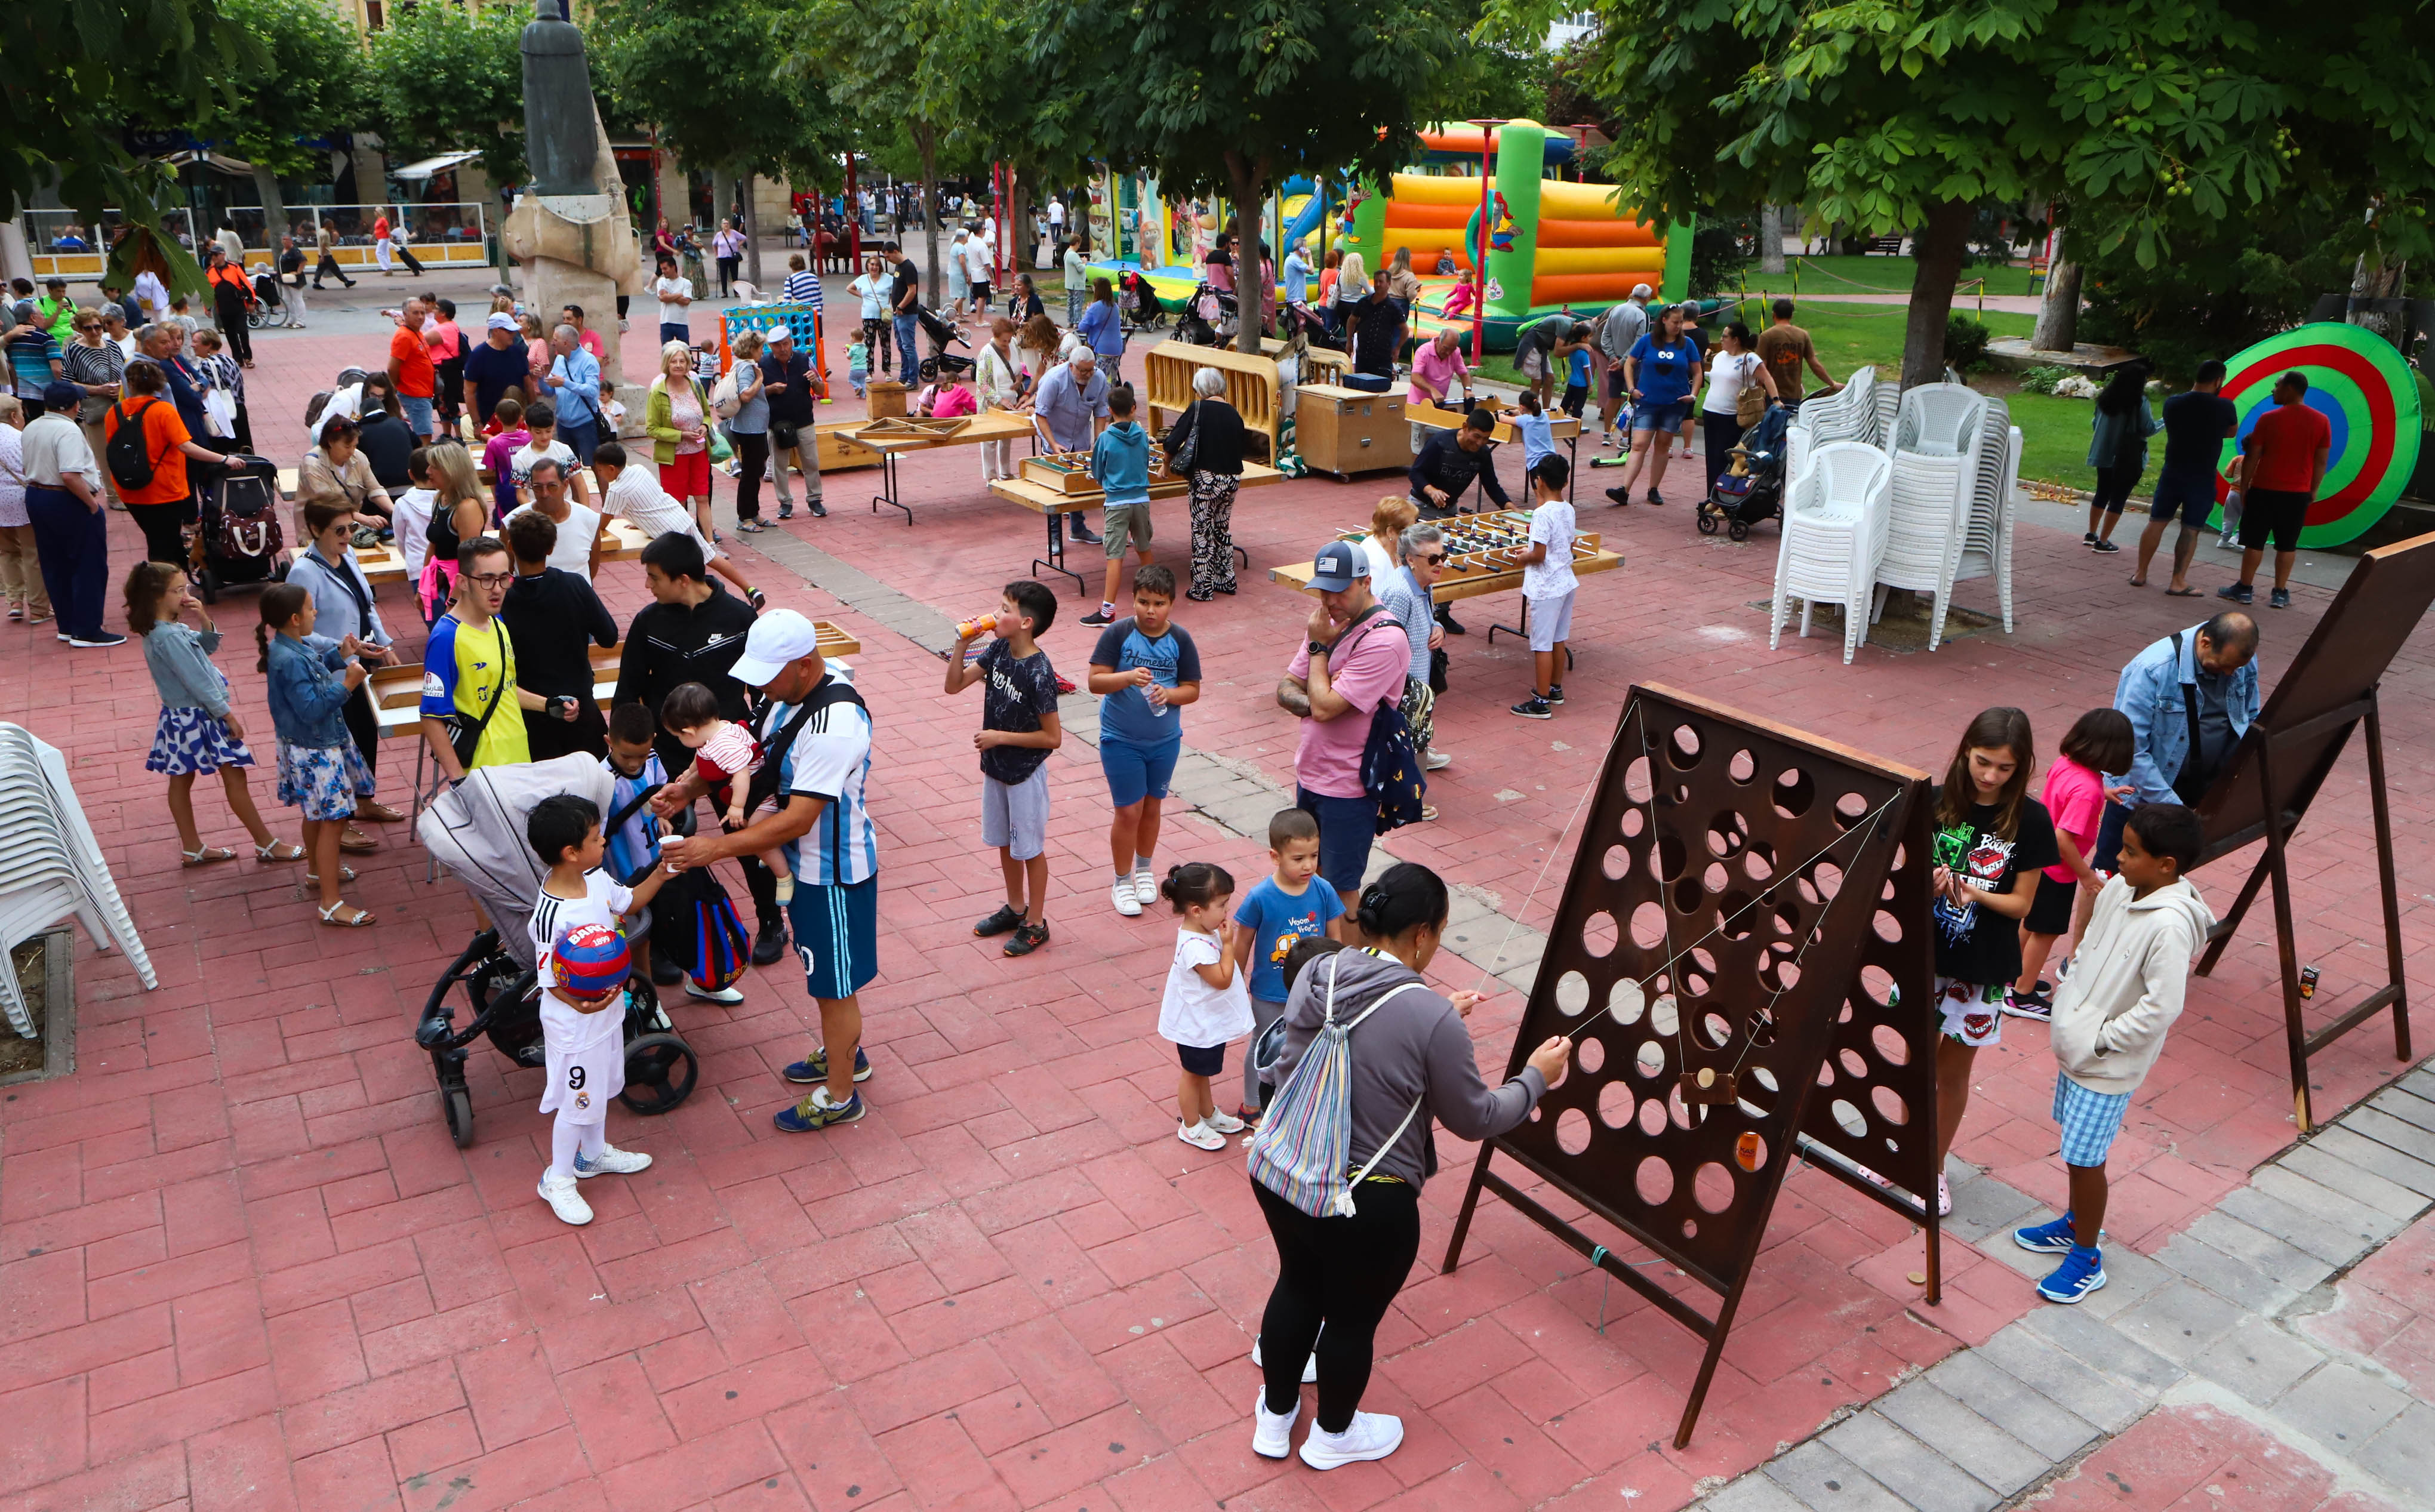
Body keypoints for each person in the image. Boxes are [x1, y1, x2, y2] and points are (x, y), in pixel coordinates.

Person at [1251, 863, 1570, 1470]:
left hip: (1284, 1169)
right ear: (1422, 933)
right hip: (1366, 1199)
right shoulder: (1429, 1017)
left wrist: (1438, 1016)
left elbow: (1332, 1042)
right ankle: (1333, 1436)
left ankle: (1275, 1414)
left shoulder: (1319, 969)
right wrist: (1536, 1077)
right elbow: (1476, 1116)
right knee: (1350, 1318)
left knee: (1296, 1284)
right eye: (1441, 930)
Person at [658, 611, 878, 1131]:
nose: (758, 687)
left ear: (804, 665)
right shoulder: (786, 696)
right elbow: (748, 758)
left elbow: (799, 819)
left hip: (832, 874)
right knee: (825, 978)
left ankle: (840, 1095)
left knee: (834, 986)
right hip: (805, 868)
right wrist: (688, 789)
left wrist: (713, 849)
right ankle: (845, 1054)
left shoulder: (834, 725)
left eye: (768, 675)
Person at [2009, 803, 2211, 1304]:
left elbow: (2162, 1006)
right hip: (2078, 1045)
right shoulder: (2121, 886)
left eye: (2130, 851)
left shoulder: (2169, 927)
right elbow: (2088, 945)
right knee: (2073, 1146)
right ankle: (2073, 1223)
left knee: (2084, 1159)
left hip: (2106, 1062)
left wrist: (2102, 1039)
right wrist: (2071, 1002)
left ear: (2165, 864)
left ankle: (2086, 1257)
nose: (2117, 857)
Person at [613, 531, 789, 966]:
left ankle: (771, 921)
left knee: (745, 839)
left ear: (683, 579)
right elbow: (628, 690)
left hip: (730, 755)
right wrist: (627, 748)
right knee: (669, 845)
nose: (648, 585)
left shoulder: (738, 617)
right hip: (674, 754)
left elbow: (764, 688)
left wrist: (752, 736)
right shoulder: (649, 623)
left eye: (654, 577)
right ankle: (668, 935)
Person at [1926, 707, 2057, 1218]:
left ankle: (1933, 1168)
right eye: (1983, 761)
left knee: (1951, 1071)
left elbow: (2022, 904)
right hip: (1926, 953)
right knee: (1914, 1062)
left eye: (2004, 768)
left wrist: (1973, 891)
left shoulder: (2031, 819)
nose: (1990, 775)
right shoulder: (1935, 801)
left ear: (2021, 767)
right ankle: (1903, 1151)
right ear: (1965, 751)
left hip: (1982, 965)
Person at [525, 798, 666, 1225]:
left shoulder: (597, 878)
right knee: (576, 1102)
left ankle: (593, 1155)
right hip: (574, 1026)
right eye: (595, 837)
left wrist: (664, 871)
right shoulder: (552, 913)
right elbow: (549, 977)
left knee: (600, 1086)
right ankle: (558, 1179)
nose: (604, 840)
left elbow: (628, 902)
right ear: (571, 852)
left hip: (605, 1014)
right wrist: (582, 1004)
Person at [129, 559, 293, 867]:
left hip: (179, 717)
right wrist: (227, 715)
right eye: (178, 590)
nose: (186, 595)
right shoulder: (171, 636)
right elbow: (198, 681)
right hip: (201, 717)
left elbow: (204, 649)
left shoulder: (163, 631)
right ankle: (265, 843)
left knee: (181, 780)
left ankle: (193, 848)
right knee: (235, 776)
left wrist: (204, 618)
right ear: (157, 596)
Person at [1276, 542, 1411, 911]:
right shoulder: (1326, 624)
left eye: (1340, 591)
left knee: (1341, 890)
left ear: (1366, 583)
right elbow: (1286, 689)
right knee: (1306, 879)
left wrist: (1320, 653)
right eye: (1324, 590)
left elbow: (1325, 708)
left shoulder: (1385, 639)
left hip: (1349, 788)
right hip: (1310, 775)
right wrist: (1319, 700)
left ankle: (1345, 951)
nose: (1329, 600)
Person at [947, 580, 1064, 958]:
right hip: (996, 768)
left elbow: (1053, 738)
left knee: (1029, 849)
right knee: (1005, 842)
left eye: (1004, 610)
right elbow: (954, 686)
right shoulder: (998, 648)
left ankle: (1037, 923)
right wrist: (962, 646)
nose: (995, 615)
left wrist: (1000, 737)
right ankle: (1015, 908)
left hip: (1025, 774)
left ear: (1026, 622)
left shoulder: (1039, 672)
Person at [2104, 611, 2260, 880]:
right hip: (2143, 795)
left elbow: (2251, 715)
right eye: (2222, 666)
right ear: (2205, 643)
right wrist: (2175, 810)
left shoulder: (2240, 658)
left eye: (2235, 668)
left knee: (2168, 876)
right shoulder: (2151, 669)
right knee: (2109, 876)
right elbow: (2133, 751)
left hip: (2197, 789)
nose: (2229, 673)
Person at [285, 500, 405, 844]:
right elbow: (297, 630)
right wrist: (344, 646)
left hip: (360, 661)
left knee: (365, 730)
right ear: (315, 530)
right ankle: (340, 821)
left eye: (352, 527)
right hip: (331, 670)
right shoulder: (304, 572)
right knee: (339, 742)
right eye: (340, 530)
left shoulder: (347, 554)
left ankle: (363, 802)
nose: (349, 535)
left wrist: (385, 644)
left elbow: (367, 606)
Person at [257, 582, 375, 926]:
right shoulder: (290, 657)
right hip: (315, 750)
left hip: (310, 745)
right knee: (333, 821)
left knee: (315, 815)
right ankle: (330, 903)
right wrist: (348, 684)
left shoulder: (290, 646)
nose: (315, 613)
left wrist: (341, 655)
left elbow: (315, 669)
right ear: (295, 618)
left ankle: (315, 872)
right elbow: (311, 709)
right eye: (311, 609)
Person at [1087, 563, 1201, 917]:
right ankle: (1122, 881)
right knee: (1128, 811)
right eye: (1143, 602)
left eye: (1159, 603)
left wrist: (1169, 694)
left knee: (1153, 806)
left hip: (1165, 741)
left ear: (1172, 604)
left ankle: (1145, 870)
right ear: (1133, 600)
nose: (1151, 610)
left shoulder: (1181, 639)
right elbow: (1095, 681)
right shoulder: (1118, 633)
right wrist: (1127, 677)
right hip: (1120, 739)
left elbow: (1192, 689)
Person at [2010, 709, 2136, 1023]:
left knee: (2030, 923)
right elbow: (2063, 839)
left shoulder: (2066, 764)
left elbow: (2068, 792)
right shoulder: (2088, 792)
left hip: (2037, 861)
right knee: (2046, 932)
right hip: (2059, 871)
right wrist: (2086, 875)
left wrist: (2102, 792)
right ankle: (2022, 994)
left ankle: (2010, 974)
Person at [1227, 810, 1345, 1122]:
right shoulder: (1260, 897)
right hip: (1269, 991)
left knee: (1307, 1043)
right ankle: (1252, 1105)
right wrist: (1234, 981)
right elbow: (1243, 942)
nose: (1308, 865)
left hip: (1313, 989)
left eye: (1314, 856)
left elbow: (1335, 939)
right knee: (1263, 1045)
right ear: (1275, 857)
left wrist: (1337, 976)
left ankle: (1295, 1101)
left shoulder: (1324, 890)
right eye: (1298, 858)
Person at [422, 537, 566, 783]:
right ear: (463, 582)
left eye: (504, 578)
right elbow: (431, 716)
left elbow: (504, 688)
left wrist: (549, 705)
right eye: (487, 579)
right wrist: (458, 779)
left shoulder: (498, 624)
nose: (498, 589)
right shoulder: (446, 638)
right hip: (482, 773)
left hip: (519, 760)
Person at [500, 511, 617, 760]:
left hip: (530, 712)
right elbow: (609, 637)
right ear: (551, 548)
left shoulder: (502, 598)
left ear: (510, 547)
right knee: (592, 777)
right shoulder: (575, 585)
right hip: (580, 707)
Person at [1157, 862, 1252, 1150]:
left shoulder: (1203, 931)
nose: (1227, 911)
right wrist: (1229, 944)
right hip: (1195, 1025)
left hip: (1206, 1022)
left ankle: (1208, 1114)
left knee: (1202, 1072)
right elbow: (1222, 979)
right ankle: (1190, 1125)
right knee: (1193, 1073)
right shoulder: (1196, 947)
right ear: (1197, 910)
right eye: (1222, 905)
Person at [105, 359, 231, 574]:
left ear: (130, 384)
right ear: (159, 384)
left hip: (130, 488)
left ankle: (181, 570)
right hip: (164, 489)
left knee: (158, 538)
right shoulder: (164, 410)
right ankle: (163, 582)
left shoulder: (114, 412)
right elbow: (186, 446)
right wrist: (223, 459)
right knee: (163, 546)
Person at [2219, 371, 2328, 610]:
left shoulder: (2268, 419)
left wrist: (2245, 487)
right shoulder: (2322, 421)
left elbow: (2252, 457)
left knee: (2254, 542)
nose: (2273, 390)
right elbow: (2321, 461)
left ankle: (2244, 589)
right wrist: (2313, 489)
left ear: (2289, 388)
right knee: (2287, 544)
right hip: (2298, 493)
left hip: (2264, 490)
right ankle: (2280, 593)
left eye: (2277, 386)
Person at [594, 441, 759, 600]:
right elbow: (647, 503)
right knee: (711, 558)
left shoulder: (616, 491)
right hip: (681, 518)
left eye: (600, 470)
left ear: (611, 468)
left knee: (679, 579)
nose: (599, 474)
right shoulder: (638, 469)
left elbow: (604, 522)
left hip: (672, 536)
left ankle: (710, 602)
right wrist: (639, 522)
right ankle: (750, 589)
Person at [2133, 361, 2239, 595]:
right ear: (2218, 381)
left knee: (2157, 521)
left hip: (2173, 471)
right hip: (2202, 476)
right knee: (2191, 528)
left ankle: (2140, 573)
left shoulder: (2173, 403)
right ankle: (2177, 581)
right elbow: (2232, 431)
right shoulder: (2225, 406)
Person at [24, 382, 112, 645]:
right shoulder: (68, 430)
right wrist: (92, 505)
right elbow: (70, 475)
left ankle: (67, 625)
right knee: (88, 563)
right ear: (73, 406)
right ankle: (87, 630)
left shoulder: (32, 426)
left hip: (37, 495)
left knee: (54, 563)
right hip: (65, 497)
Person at [1162, 368, 1248, 601]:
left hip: (1206, 478)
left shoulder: (1198, 408)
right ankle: (1226, 579)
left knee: (1201, 531)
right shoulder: (1234, 413)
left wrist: (1165, 465)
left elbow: (1173, 440)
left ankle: (1202, 588)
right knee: (1221, 528)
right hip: (1232, 478)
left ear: (1200, 389)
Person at [1608, 304, 1702, 507]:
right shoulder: (1647, 340)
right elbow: (1630, 363)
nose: (1678, 326)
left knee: (1663, 445)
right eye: (1675, 322)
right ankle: (1624, 489)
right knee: (1639, 444)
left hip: (1675, 403)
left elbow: (1697, 372)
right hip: (1647, 401)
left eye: (1681, 322)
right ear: (1664, 321)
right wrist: (1632, 388)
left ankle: (1653, 488)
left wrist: (1693, 395)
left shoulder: (1688, 344)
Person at [1509, 455, 1578, 720]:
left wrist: (1521, 558)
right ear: (1565, 482)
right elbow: (1567, 545)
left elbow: (1538, 556)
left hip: (1546, 586)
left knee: (1541, 644)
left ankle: (1541, 701)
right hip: (1566, 580)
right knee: (1558, 639)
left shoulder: (1541, 514)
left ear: (1539, 481)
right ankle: (1555, 688)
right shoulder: (1568, 508)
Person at [1082, 385, 1156, 629]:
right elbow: (1145, 462)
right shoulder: (1142, 434)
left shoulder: (1105, 438)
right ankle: (1156, 601)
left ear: (1110, 410)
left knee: (1115, 555)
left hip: (1116, 501)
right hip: (1141, 499)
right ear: (1133, 408)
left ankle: (1108, 611)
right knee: (1145, 549)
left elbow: (1098, 471)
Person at [1032, 346, 1111, 546]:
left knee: (1080, 484)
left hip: (1080, 438)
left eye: (1091, 370)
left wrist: (1099, 442)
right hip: (1055, 436)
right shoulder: (1053, 380)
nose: (1088, 375)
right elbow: (1041, 415)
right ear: (1071, 366)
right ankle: (1055, 535)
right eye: (1083, 371)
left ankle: (1078, 529)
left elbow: (1101, 412)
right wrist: (1053, 444)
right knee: (1055, 490)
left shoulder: (1099, 378)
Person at [2083, 362, 2159, 553]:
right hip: (2127, 457)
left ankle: (2091, 534)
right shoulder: (2139, 402)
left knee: (2102, 492)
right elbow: (2148, 429)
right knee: (2119, 497)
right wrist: (2164, 422)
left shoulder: (2105, 399)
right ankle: (2103, 541)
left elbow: (2095, 422)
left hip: (2103, 452)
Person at [1698, 322, 1779, 497]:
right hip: (1710, 411)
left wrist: (1776, 400)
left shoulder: (1750, 359)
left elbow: (1767, 378)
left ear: (1736, 340)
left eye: (1725, 336)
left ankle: (1727, 494)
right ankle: (1712, 495)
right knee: (1712, 457)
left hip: (1732, 416)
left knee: (1728, 458)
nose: (1721, 339)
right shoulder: (1719, 357)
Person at [645, 340, 715, 541]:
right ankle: (682, 544)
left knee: (702, 497)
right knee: (678, 502)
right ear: (666, 364)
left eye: (682, 361)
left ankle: (709, 542)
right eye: (674, 361)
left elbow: (707, 414)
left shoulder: (695, 385)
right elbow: (652, 429)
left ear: (688, 363)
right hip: (674, 456)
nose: (678, 365)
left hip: (699, 453)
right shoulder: (658, 392)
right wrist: (681, 435)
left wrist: (705, 426)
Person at [61, 312, 126, 512]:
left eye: (98, 327)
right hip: (95, 409)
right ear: (80, 329)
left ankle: (128, 490)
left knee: (125, 450)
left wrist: (119, 386)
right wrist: (98, 390)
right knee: (104, 454)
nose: (94, 332)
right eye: (88, 328)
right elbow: (67, 382)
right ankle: (113, 495)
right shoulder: (74, 350)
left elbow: (125, 372)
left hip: (120, 406)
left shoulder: (112, 346)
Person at [759, 326, 824, 519]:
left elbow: (821, 389)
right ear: (770, 347)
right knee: (779, 466)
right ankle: (785, 502)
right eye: (777, 345)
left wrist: (815, 382)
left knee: (811, 462)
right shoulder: (762, 364)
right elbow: (755, 394)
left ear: (792, 342)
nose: (783, 349)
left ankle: (815, 499)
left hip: (804, 420)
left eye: (786, 344)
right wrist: (770, 389)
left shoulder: (804, 360)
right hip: (777, 423)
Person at [506, 457, 603, 581]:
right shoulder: (512, 522)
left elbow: (592, 568)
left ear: (565, 485)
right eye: (538, 487)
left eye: (552, 486)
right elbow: (507, 570)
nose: (545, 494)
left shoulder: (589, 519)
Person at [1408, 406, 1510, 523]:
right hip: (1422, 507)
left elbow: (1491, 485)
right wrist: (1432, 491)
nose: (1480, 443)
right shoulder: (1440, 442)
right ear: (1465, 427)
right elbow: (1415, 473)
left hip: (1449, 510)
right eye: (1477, 436)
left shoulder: (1483, 453)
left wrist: (1510, 507)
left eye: (1486, 438)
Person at [723, 331, 778, 532]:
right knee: (750, 473)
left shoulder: (743, 366)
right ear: (752, 349)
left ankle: (753, 512)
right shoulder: (747, 368)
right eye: (761, 348)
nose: (763, 352)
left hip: (753, 428)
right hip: (749, 429)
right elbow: (745, 395)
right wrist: (760, 379)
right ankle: (744, 517)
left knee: (755, 472)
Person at [0, 397, 42, 625]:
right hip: (20, 499)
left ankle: (15, 601)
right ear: (14, 416)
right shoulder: (20, 438)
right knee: (32, 553)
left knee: (7, 552)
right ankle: (38, 608)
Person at [1594, 285, 1652, 445]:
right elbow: (1639, 342)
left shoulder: (1617, 309)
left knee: (1612, 397)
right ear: (1646, 298)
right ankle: (1625, 437)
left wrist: (1612, 356)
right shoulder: (1643, 315)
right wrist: (1623, 361)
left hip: (1614, 361)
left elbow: (1605, 335)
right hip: (1632, 364)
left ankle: (1607, 434)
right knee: (1629, 399)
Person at [508, 405, 589, 516]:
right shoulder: (522, 458)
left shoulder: (564, 450)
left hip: (566, 511)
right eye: (538, 432)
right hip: (539, 514)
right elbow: (521, 494)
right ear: (528, 429)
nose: (544, 436)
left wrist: (586, 513)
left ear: (554, 427)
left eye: (548, 431)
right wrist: (536, 516)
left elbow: (580, 484)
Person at [1754, 298, 1834, 407]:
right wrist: (1832, 383)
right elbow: (1814, 364)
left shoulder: (1766, 336)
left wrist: (1757, 393)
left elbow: (1761, 368)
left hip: (1771, 395)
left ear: (1774, 315)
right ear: (1791, 315)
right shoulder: (1803, 335)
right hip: (1794, 394)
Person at [544, 323, 605, 465]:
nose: (552, 343)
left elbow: (592, 391)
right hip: (563, 425)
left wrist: (565, 383)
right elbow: (549, 392)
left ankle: (602, 483)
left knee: (595, 465)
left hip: (585, 424)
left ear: (565, 343)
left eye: (555, 340)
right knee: (570, 467)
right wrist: (541, 378)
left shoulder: (588, 361)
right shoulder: (560, 360)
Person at [973, 318, 1024, 484]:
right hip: (991, 403)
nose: (1007, 344)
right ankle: (990, 475)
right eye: (1004, 341)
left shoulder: (1013, 345)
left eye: (1009, 340)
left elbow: (1019, 369)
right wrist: (999, 399)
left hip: (1011, 400)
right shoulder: (987, 353)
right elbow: (982, 384)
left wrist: (1019, 379)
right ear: (995, 336)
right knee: (990, 439)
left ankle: (1006, 472)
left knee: (1007, 437)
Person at [1405, 330, 1470, 455]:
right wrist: (1432, 390)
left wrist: (1468, 390)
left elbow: (1464, 374)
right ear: (1439, 340)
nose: (1448, 353)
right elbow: (1415, 377)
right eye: (1446, 348)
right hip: (1419, 404)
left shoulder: (1455, 353)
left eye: (1452, 349)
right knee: (1419, 449)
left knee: (1439, 444)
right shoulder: (1424, 351)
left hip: (1439, 403)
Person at [462, 312, 530, 429]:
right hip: (490, 422)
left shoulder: (517, 352)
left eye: (514, 331)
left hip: (519, 421)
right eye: (509, 332)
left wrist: (532, 412)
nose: (514, 335)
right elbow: (469, 392)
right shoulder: (478, 356)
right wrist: (477, 423)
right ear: (496, 331)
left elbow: (528, 384)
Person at [349, 378, 414, 495]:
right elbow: (418, 445)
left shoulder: (359, 432)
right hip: (410, 483)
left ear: (362, 414)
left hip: (380, 488)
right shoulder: (400, 424)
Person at [383, 298, 437, 441]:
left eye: (423, 313)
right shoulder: (404, 336)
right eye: (416, 313)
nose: (420, 317)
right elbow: (392, 368)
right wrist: (399, 386)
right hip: (415, 394)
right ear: (405, 315)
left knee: (423, 434)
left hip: (422, 392)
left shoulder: (415, 332)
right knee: (424, 437)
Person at [1345, 281, 1405, 389]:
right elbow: (1351, 321)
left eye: (1380, 282)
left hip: (1379, 355)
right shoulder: (1365, 303)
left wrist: (1398, 348)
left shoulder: (1392, 307)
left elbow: (1404, 330)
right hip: (1368, 354)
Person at [203, 247, 254, 369]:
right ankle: (238, 358)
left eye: (216, 254)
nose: (214, 257)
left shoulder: (234, 267)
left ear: (223, 255)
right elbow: (207, 292)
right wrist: (207, 307)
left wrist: (251, 301)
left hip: (238, 306)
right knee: (231, 334)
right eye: (212, 255)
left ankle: (248, 357)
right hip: (222, 307)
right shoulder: (210, 271)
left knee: (243, 331)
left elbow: (247, 284)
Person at [426, 298, 467, 435]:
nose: (433, 311)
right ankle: (447, 434)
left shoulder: (446, 328)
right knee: (442, 403)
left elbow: (423, 340)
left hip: (447, 369)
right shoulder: (446, 326)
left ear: (444, 313)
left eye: (436, 308)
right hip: (443, 368)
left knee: (450, 403)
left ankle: (459, 435)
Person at [849, 254, 893, 377]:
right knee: (869, 344)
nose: (874, 267)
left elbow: (896, 290)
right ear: (868, 266)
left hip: (884, 316)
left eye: (877, 265)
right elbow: (850, 288)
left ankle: (887, 371)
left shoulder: (887, 278)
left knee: (886, 344)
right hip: (868, 316)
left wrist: (890, 301)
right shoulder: (863, 279)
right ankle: (869, 372)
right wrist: (862, 296)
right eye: (872, 264)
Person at [1078, 277, 1125, 383]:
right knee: (1111, 379)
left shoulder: (1095, 307)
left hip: (1103, 349)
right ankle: (1112, 392)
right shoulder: (1115, 307)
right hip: (1117, 348)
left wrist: (1088, 310)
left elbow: (1082, 327)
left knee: (1099, 380)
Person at [889, 241, 922, 387]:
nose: (888, 260)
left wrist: (901, 306)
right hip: (897, 314)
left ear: (896, 252)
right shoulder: (898, 267)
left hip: (906, 313)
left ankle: (913, 379)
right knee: (901, 346)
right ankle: (904, 375)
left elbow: (912, 291)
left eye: (888, 256)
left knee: (908, 346)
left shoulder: (908, 267)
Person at [651, 253, 694, 350]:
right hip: (666, 322)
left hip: (682, 322)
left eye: (665, 269)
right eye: (662, 269)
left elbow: (686, 301)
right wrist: (680, 294)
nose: (663, 272)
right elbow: (662, 298)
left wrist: (668, 295)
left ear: (673, 267)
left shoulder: (686, 283)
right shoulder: (661, 281)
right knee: (666, 352)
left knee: (685, 351)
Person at [276, 236, 309, 329]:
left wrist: (298, 272)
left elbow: (303, 260)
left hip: (294, 280)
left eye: (286, 240)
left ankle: (301, 321)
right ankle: (293, 319)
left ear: (291, 241)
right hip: (285, 279)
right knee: (287, 299)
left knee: (297, 299)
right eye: (283, 239)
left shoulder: (295, 251)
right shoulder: (283, 251)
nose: (284, 241)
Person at [313, 220, 356, 290]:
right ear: (327, 225)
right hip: (326, 255)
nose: (332, 226)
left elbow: (323, 244)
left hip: (322, 254)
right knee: (335, 269)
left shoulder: (321, 231)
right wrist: (323, 257)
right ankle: (346, 281)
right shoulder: (325, 234)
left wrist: (321, 256)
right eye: (331, 224)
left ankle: (316, 282)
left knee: (320, 269)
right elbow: (324, 245)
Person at [1063, 236, 1092, 327]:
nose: (1079, 246)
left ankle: (1070, 321)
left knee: (1070, 303)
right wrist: (1084, 263)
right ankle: (1077, 322)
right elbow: (1080, 268)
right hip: (1077, 284)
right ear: (1077, 243)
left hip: (1070, 283)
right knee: (1077, 304)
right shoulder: (1074, 255)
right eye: (1079, 244)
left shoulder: (1067, 253)